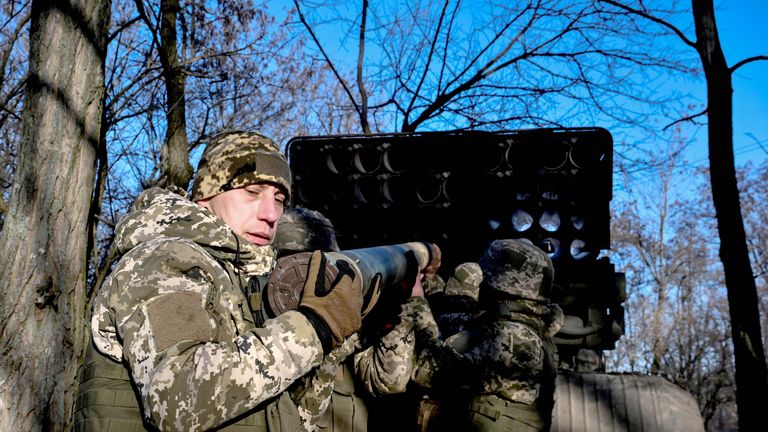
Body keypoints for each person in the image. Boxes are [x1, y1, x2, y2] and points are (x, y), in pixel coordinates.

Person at [76, 131, 364, 432]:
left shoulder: (245, 281)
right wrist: (312, 328)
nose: (270, 214)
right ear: (206, 195)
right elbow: (177, 400)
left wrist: (331, 344)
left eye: (279, 200)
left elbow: (295, 419)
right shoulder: (162, 259)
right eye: (252, 192)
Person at [410, 239, 564, 432]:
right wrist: (430, 279)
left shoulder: (512, 339)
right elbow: (459, 324)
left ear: (500, 285)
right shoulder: (527, 329)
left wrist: (416, 300)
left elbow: (425, 368)